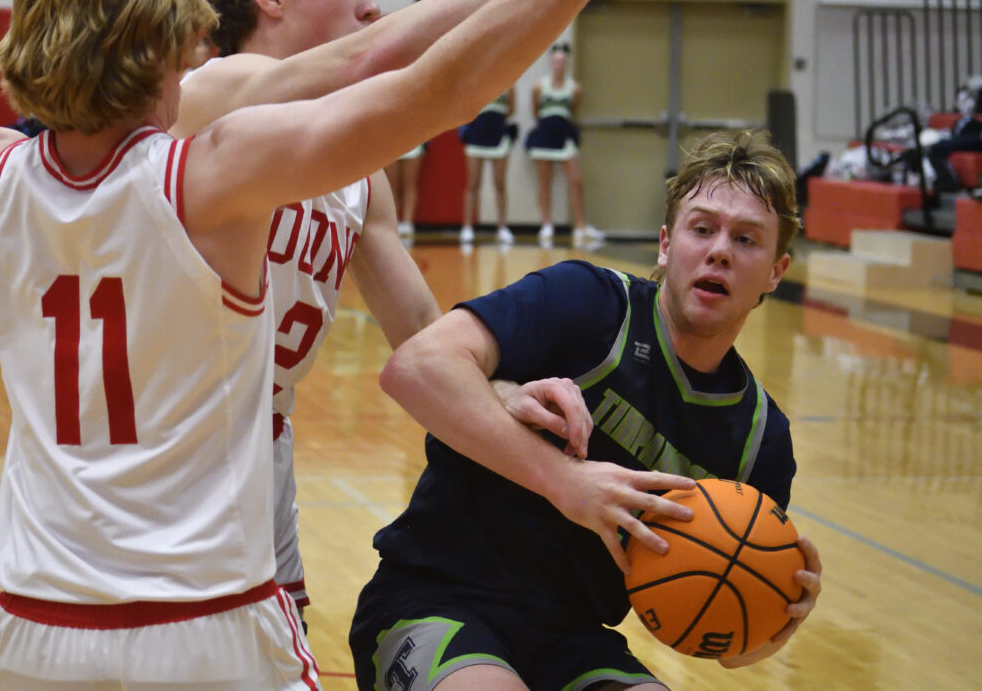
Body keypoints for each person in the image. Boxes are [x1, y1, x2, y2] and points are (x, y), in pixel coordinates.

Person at [0, 0, 678, 685]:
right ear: (163, 46)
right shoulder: (218, 163)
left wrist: (502, 394)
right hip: (205, 593)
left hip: (44, 607)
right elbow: (431, 83)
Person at [177, 0, 596, 614]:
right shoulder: (209, 93)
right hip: (172, 437)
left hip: (264, 447)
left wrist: (501, 394)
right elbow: (384, 56)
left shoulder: (361, 178)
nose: (370, 4)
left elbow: (421, 340)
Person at [351, 130, 823, 691]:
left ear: (776, 271)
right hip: (436, 599)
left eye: (747, 239)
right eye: (703, 229)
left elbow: (723, 645)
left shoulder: (759, 437)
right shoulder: (591, 305)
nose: (720, 249)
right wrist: (565, 481)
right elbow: (417, 367)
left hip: (573, 638)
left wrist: (772, 617)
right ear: (667, 244)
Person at [526, 42, 602, 248]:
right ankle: (546, 225)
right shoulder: (539, 87)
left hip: (564, 137)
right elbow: (535, 112)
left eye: (562, 60)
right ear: (551, 62)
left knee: (576, 180)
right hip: (544, 136)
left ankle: (580, 225)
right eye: (555, 60)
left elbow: (574, 112)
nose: (559, 63)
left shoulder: (575, 89)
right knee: (545, 182)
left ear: (566, 63)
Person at [459, 88, 516, 244]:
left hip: (498, 134)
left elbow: (511, 109)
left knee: (499, 183)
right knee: (472, 184)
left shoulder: (509, 82)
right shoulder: (477, 78)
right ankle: (467, 228)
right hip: (476, 134)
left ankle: (502, 228)